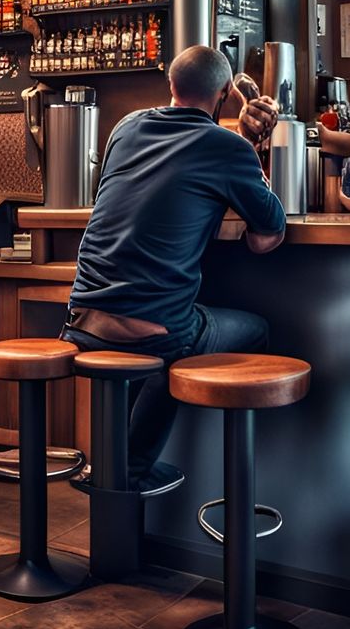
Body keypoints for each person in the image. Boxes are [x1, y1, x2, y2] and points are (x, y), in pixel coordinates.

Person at [62, 45, 287, 488]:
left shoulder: (125, 128)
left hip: (81, 319)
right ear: (224, 93)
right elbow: (267, 238)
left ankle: (108, 461)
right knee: (243, 330)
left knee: (158, 334)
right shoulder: (227, 148)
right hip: (155, 332)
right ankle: (129, 468)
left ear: (170, 85)